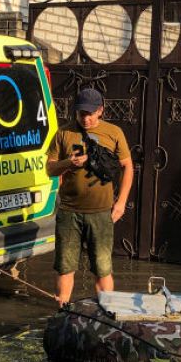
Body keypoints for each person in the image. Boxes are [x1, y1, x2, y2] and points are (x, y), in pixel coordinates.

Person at [45, 88, 134, 306]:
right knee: (65, 266)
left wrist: (121, 202)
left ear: (100, 110)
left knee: (102, 268)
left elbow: (128, 166)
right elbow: (50, 169)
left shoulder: (114, 132)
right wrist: (69, 163)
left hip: (101, 213)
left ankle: (107, 311)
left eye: (90, 114)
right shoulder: (64, 133)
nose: (85, 118)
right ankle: (63, 309)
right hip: (69, 212)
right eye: (81, 113)